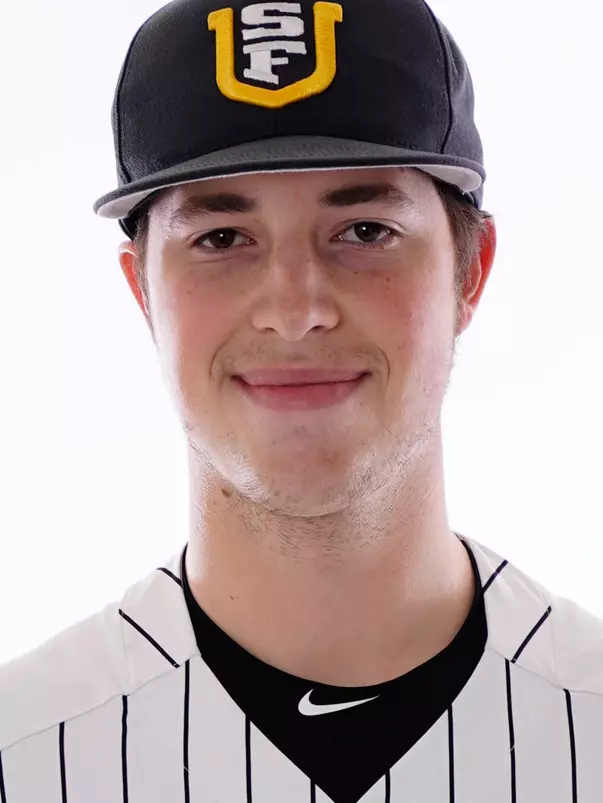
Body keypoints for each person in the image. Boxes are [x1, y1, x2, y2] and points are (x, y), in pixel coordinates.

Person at [1, 0, 602, 800]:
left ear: (470, 271)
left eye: (363, 230)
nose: (293, 308)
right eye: (220, 238)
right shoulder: (22, 752)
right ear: (142, 290)